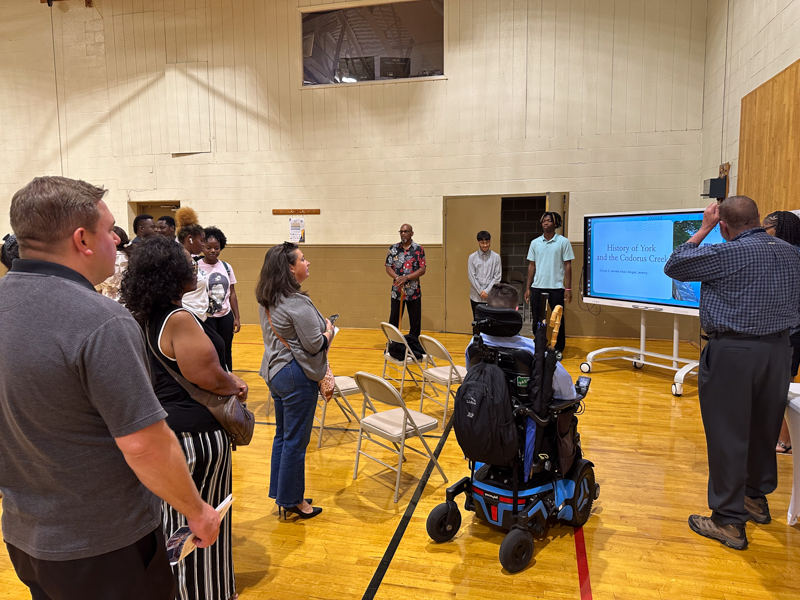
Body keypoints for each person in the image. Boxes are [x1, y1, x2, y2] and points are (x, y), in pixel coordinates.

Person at [0, 176, 220, 599]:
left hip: (25, 539)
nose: (117, 241)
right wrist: (197, 511)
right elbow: (144, 444)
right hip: (104, 547)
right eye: (109, 230)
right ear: (82, 239)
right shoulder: (101, 320)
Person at [664, 197, 800, 551]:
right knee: (763, 429)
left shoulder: (725, 253)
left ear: (724, 226)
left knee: (728, 436)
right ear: (758, 218)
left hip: (734, 352)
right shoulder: (791, 252)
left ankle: (727, 520)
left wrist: (704, 228)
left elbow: (674, 265)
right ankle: (754, 499)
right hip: (779, 351)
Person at [121, 236, 246, 600]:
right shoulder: (179, 319)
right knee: (202, 528)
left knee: (175, 528)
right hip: (196, 437)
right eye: (187, 262)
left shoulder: (141, 317)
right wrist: (235, 383)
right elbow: (208, 376)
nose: (194, 266)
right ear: (171, 273)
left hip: (165, 431)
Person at [256, 242, 335, 519]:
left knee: (283, 436)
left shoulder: (268, 298)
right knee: (296, 442)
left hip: (275, 372)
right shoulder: (296, 302)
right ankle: (293, 500)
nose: (307, 262)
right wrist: (329, 331)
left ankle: (283, 493)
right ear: (290, 268)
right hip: (295, 375)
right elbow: (315, 344)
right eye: (302, 259)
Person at [465, 283, 576, 400]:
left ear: (488, 308)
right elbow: (566, 391)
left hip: (485, 404)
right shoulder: (531, 349)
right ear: (516, 310)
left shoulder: (474, 344)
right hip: (524, 408)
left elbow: (470, 371)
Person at [762, 210, 800, 455]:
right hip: (793, 329)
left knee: (782, 386)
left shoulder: (785, 257)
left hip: (790, 332)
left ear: (779, 229)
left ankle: (785, 441)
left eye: (766, 229)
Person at [524, 212, 574, 361]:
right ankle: (539, 346)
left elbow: (568, 265)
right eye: (544, 221)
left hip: (556, 288)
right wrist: (528, 287)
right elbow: (531, 265)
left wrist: (568, 288)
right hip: (537, 287)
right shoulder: (535, 243)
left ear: (555, 223)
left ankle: (558, 348)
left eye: (549, 221)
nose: (545, 223)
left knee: (558, 320)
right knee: (537, 320)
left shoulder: (563, 242)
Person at [199, 226, 240, 370]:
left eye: (216, 248)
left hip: (225, 316)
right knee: (210, 349)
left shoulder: (226, 267)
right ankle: (212, 377)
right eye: (209, 247)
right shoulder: (196, 267)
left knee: (226, 349)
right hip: (206, 317)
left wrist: (237, 317)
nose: (213, 251)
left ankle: (228, 376)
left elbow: (232, 293)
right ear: (202, 246)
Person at [385, 223, 426, 339]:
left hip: (414, 292)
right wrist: (397, 278)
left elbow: (422, 269)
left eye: (406, 231)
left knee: (415, 321)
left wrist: (406, 278)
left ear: (411, 233)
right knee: (394, 318)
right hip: (397, 291)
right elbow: (388, 267)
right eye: (401, 232)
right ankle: (393, 343)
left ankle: (413, 344)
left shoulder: (419, 249)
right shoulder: (393, 249)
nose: (403, 234)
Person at [176, 207, 209, 320]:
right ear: (190, 239)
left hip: (199, 315)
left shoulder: (191, 259)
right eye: (202, 240)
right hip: (188, 314)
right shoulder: (180, 260)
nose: (203, 244)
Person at [468, 230, 502, 320]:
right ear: (478, 242)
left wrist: (487, 291)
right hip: (476, 296)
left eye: (487, 242)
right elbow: (472, 276)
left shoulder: (496, 257)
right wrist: (481, 291)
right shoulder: (472, 258)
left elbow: (497, 277)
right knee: (477, 321)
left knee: (491, 321)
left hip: (491, 296)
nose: (485, 245)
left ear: (490, 241)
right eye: (482, 243)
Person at [96, 225, 130, 302]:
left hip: (107, 300)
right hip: (128, 299)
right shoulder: (132, 256)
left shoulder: (101, 259)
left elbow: (97, 287)